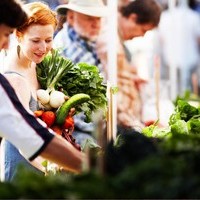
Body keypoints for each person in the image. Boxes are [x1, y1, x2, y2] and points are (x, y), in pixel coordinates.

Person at [0, 0, 86, 181]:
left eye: (48, 40)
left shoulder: (35, 64)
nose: (43, 48)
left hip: (44, 159)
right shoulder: (13, 79)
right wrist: (55, 169)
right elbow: (25, 141)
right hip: (25, 168)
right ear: (19, 35)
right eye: (35, 41)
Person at [97, 0, 161, 128]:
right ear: (133, 18)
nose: (142, 36)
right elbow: (116, 87)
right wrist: (137, 127)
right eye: (143, 30)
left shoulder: (114, 37)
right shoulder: (109, 37)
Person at [53, 0, 108, 146]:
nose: (96, 24)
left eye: (98, 19)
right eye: (90, 18)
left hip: (99, 128)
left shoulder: (94, 41)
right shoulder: (61, 47)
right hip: (76, 132)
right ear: (71, 17)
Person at [158, 0, 200, 96]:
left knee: (173, 89)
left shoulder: (164, 16)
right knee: (189, 91)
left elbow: (161, 39)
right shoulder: (194, 16)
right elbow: (198, 39)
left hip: (170, 59)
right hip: (191, 59)